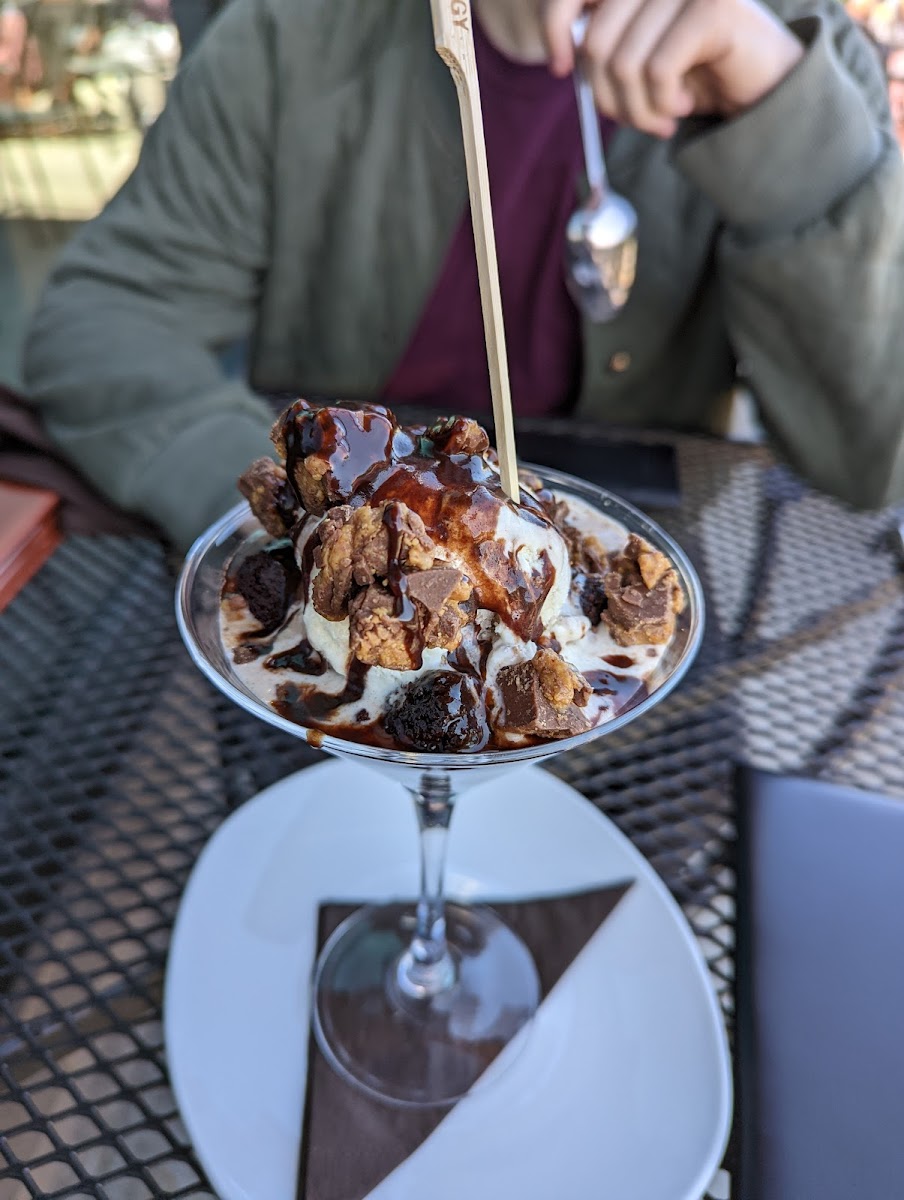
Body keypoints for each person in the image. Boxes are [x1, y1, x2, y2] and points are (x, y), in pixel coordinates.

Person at [22, 0, 904, 549]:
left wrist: (785, 128)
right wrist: (297, 524)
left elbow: (879, 457)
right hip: (338, 606)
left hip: (632, 613)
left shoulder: (800, 59)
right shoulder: (288, 38)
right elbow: (109, 317)